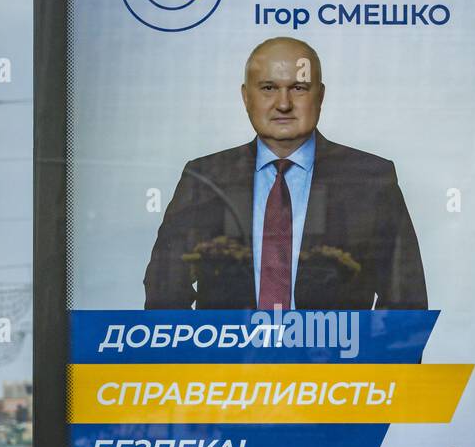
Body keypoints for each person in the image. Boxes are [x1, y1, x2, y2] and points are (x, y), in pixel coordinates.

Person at [144, 37, 428, 311]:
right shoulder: (204, 178)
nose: (283, 104)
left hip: (337, 358)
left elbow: (406, 300)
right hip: (228, 359)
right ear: (246, 96)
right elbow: (164, 291)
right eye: (268, 88)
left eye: (299, 88)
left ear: (321, 95)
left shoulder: (371, 179)